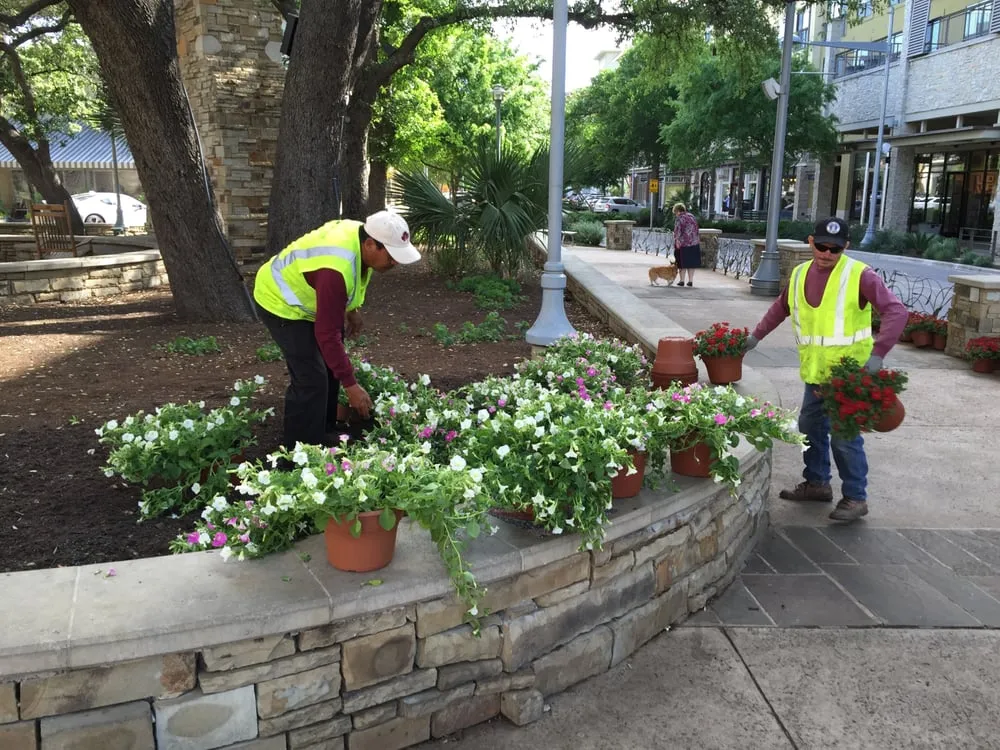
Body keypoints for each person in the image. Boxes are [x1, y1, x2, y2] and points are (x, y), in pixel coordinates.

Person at [743, 217, 907, 522]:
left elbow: (896, 311)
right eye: (821, 246)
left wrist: (878, 354)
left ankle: (856, 498)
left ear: (845, 246)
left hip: (849, 377)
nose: (827, 253)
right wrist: (755, 337)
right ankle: (817, 483)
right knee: (809, 429)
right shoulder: (800, 273)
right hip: (815, 373)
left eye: (835, 248)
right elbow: (782, 306)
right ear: (810, 241)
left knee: (844, 439)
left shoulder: (859, 275)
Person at [253, 210, 421, 448]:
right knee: (311, 378)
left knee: (330, 368)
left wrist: (351, 312)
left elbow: (351, 281)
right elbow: (327, 335)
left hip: (308, 299)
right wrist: (352, 387)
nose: (394, 262)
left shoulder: (360, 239)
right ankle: (297, 452)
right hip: (280, 301)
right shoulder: (335, 269)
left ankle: (323, 430)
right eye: (392, 256)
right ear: (371, 244)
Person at [672, 203, 701, 287]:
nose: (675, 214)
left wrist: (677, 241)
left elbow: (677, 231)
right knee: (691, 263)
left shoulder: (679, 218)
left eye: (675, 212)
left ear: (677, 211)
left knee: (682, 262)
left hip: (683, 244)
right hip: (694, 243)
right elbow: (696, 229)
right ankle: (690, 281)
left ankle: (682, 280)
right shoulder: (692, 216)